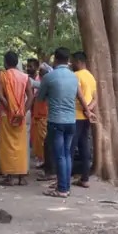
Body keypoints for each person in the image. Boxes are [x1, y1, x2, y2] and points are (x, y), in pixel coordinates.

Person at [37, 47, 93, 198]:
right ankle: (66, 186)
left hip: (56, 120)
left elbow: (40, 98)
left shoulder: (50, 77)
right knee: (67, 155)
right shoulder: (73, 77)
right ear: (68, 60)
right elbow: (81, 97)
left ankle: (62, 189)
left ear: (55, 59)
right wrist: (88, 111)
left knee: (60, 155)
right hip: (71, 121)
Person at [0, 51, 34, 186]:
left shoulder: (2, 76)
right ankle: (21, 177)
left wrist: (10, 109)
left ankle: (10, 177)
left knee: (7, 145)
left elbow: (1, 96)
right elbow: (30, 96)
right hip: (21, 116)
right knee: (21, 145)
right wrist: (23, 111)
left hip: (7, 115)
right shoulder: (25, 77)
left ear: (6, 62)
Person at [70, 51, 97, 188]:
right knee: (84, 147)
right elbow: (95, 98)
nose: (71, 64)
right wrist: (89, 111)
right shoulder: (91, 77)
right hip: (86, 117)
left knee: (69, 148)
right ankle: (85, 178)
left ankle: (63, 180)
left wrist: (85, 110)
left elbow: (79, 96)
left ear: (79, 61)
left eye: (72, 61)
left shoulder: (75, 76)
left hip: (75, 116)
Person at [31, 63, 51, 169]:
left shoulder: (46, 84)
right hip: (38, 115)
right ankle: (40, 158)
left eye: (42, 71)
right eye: (40, 71)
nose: (40, 72)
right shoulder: (42, 82)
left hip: (43, 115)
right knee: (37, 140)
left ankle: (44, 159)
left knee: (43, 139)